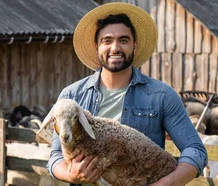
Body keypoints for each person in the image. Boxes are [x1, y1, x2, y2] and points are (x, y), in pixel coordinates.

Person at [46, 3, 207, 186]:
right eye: (107, 41)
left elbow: (195, 150)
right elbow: (55, 156)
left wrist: (165, 184)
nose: (115, 48)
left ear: (135, 45)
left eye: (123, 40)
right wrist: (70, 175)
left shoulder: (161, 95)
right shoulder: (72, 96)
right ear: (96, 46)